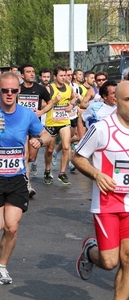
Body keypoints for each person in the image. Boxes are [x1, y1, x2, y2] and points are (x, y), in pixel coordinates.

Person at [0, 71, 51, 284]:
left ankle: (1, 266)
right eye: (5, 90)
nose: (10, 94)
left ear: (19, 91)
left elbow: (47, 135)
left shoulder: (27, 114)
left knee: (12, 227)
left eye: (14, 90)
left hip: (17, 178)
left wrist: (39, 142)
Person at [72, 81, 129, 300]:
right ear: (116, 101)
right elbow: (78, 157)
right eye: (127, 100)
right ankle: (89, 251)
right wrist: (97, 174)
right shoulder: (102, 128)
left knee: (127, 259)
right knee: (109, 262)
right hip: (107, 204)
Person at [17, 63, 51, 196]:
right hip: (21, 125)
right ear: (22, 75)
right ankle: (27, 185)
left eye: (33, 71)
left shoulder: (40, 89)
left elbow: (50, 103)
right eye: (28, 72)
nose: (32, 74)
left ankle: (23, 172)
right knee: (24, 156)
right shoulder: (17, 89)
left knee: (31, 157)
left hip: (34, 125)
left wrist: (41, 112)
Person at [43, 66, 76, 185]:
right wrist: (54, 102)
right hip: (51, 122)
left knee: (66, 147)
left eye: (65, 75)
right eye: (61, 75)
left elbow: (74, 99)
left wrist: (71, 106)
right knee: (50, 150)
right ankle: (47, 170)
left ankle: (62, 173)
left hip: (64, 122)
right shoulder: (49, 89)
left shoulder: (69, 88)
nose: (63, 78)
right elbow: (43, 105)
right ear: (55, 76)